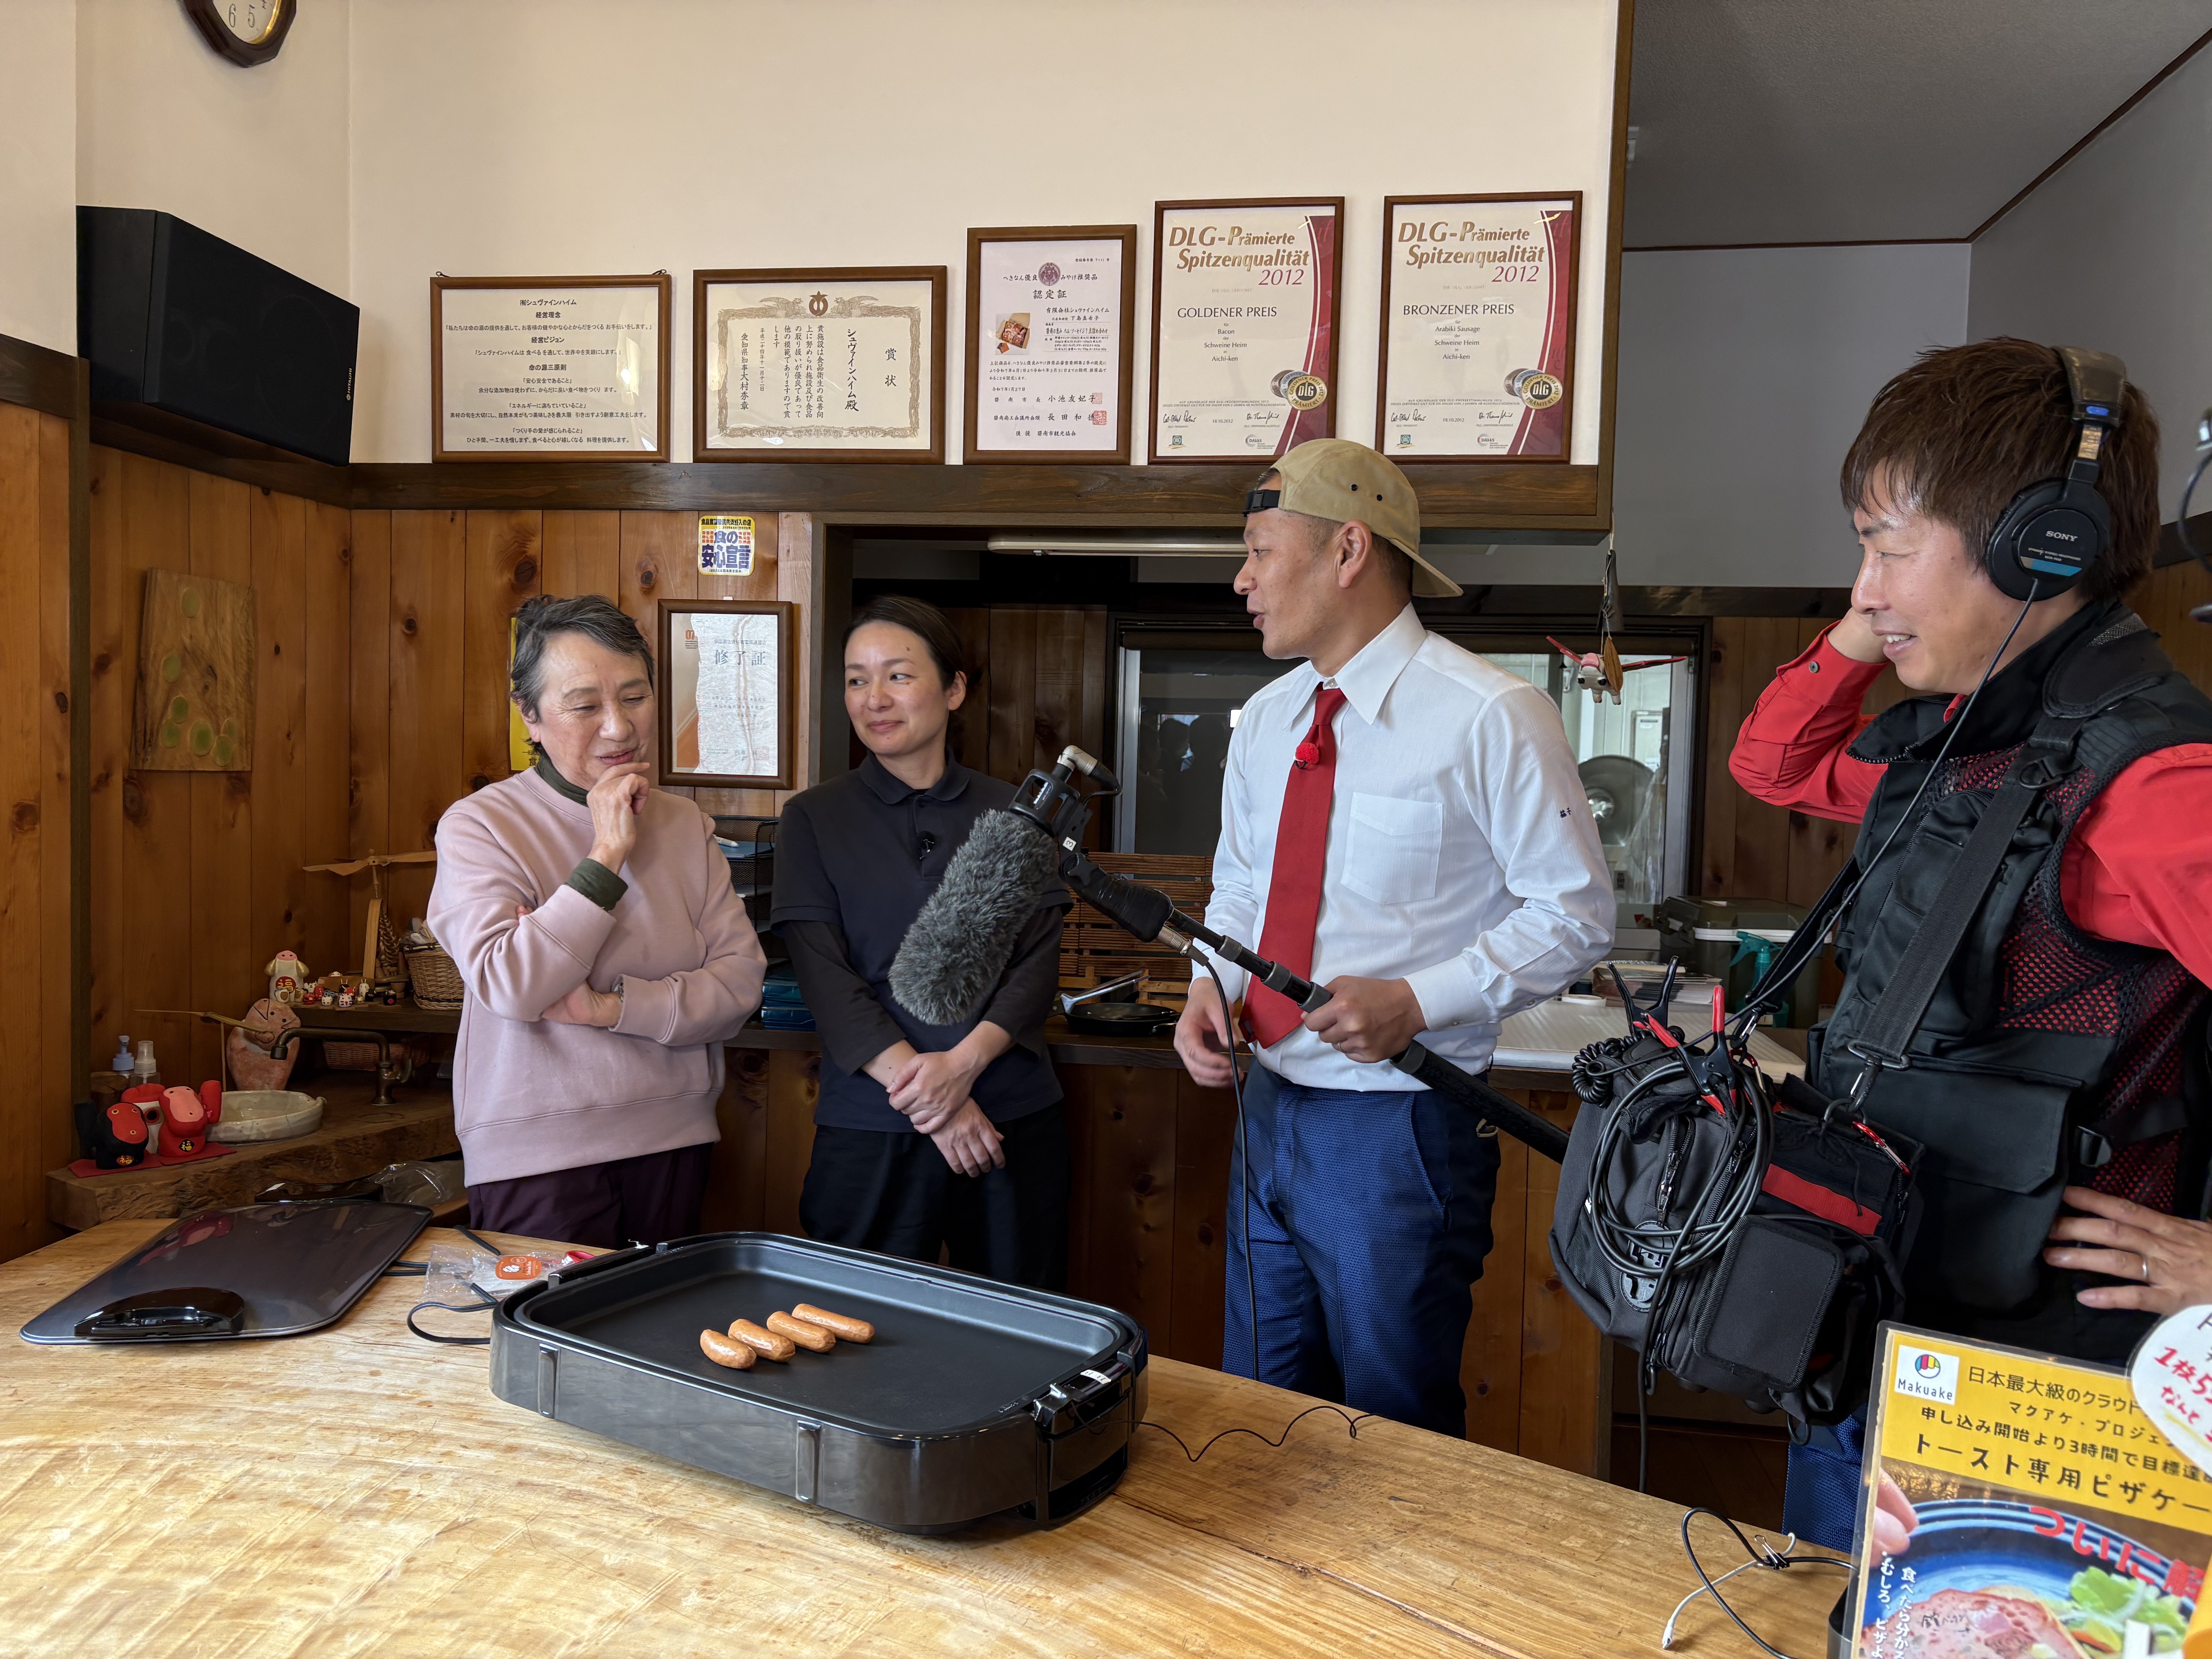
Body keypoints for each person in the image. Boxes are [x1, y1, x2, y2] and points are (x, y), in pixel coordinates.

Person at [1728, 338, 2212, 1548]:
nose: (1867, 586)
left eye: (1890, 546)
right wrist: (1870, 620)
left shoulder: (2154, 784)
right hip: (1882, 1330)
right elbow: (1774, 763)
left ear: (2036, 547)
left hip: (2043, 1398)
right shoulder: (1962, 745)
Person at [1172, 438, 1614, 1436]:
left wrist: (1420, 999)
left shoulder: (1491, 713)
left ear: (1348, 551)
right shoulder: (1269, 720)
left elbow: (1577, 914)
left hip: (1401, 1126)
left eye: (1257, 549)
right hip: (1269, 1106)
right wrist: (1213, 982)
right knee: (1259, 1413)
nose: (1241, 581)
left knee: (1392, 1429)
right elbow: (1240, 882)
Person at [427, 594, 766, 1249]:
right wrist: (605, 853)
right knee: (552, 1347)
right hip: (535, 1152)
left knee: (650, 1337)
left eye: (635, 698)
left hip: (675, 1134)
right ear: (529, 714)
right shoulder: (480, 825)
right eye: (585, 706)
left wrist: (609, 1008)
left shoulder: (685, 825)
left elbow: (738, 986)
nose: (619, 728)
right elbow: (516, 985)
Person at [772, 596, 1072, 1287]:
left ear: (956, 688)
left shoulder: (1016, 814)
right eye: (855, 679)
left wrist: (963, 1068)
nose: (874, 698)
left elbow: (1035, 967)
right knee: (853, 1330)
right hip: (871, 1122)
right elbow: (825, 978)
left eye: (898, 676)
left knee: (1019, 1332)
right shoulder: (814, 819)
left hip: (1011, 1114)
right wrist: (937, 1099)